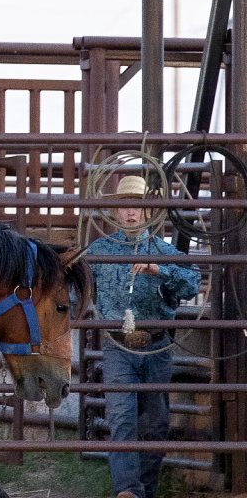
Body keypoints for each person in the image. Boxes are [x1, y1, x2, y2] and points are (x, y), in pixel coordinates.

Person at [86, 175, 200, 498]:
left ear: (148, 211)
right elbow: (74, 279)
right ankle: (128, 490)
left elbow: (192, 282)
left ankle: (144, 490)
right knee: (121, 417)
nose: (131, 213)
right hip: (118, 344)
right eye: (125, 205)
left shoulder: (162, 251)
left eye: (137, 205)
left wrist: (159, 268)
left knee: (155, 424)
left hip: (156, 344)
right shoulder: (99, 250)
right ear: (116, 211)